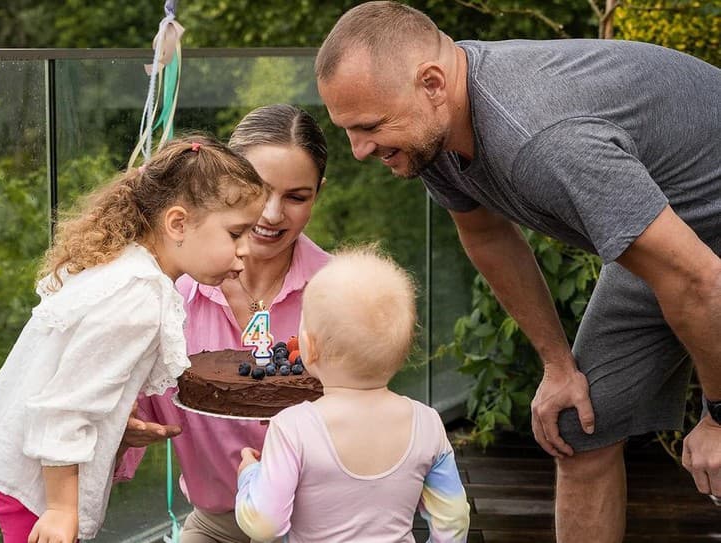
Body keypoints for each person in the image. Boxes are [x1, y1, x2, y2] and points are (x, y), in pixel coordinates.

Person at [315, 2, 721, 542]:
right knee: (579, 426)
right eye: (347, 129)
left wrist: (718, 418)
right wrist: (558, 367)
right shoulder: (435, 135)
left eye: (369, 126)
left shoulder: (540, 138)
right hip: (667, 243)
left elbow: (699, 281)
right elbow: (485, 234)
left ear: (432, 83)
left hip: (695, 258)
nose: (360, 150)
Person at [0, 135, 268, 543]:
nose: (247, 249)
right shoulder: (138, 298)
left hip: (29, 467)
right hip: (36, 487)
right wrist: (61, 510)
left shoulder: (126, 269)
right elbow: (62, 408)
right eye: (236, 233)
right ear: (178, 223)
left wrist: (117, 423)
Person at [114, 104, 330, 543]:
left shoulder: (342, 291)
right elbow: (129, 409)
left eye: (296, 196)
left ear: (318, 194)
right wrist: (123, 427)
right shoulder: (169, 294)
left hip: (325, 526)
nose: (271, 214)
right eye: (260, 190)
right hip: (217, 526)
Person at [234, 246, 470, 542]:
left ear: (310, 346)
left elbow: (263, 524)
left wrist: (249, 476)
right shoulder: (428, 423)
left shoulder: (293, 427)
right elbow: (455, 519)